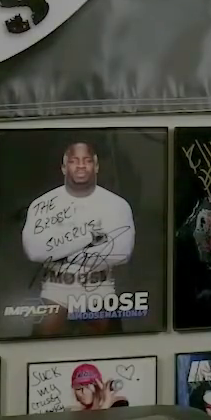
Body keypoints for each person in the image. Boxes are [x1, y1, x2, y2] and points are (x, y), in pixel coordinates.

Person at [21, 140, 136, 336]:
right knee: (40, 347)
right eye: (74, 161)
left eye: (87, 161)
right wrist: (90, 239)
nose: (81, 166)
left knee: (111, 349)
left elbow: (121, 252)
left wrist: (58, 249)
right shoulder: (42, 204)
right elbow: (34, 251)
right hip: (55, 290)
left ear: (96, 166)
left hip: (99, 290)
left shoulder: (116, 205)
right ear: (64, 168)